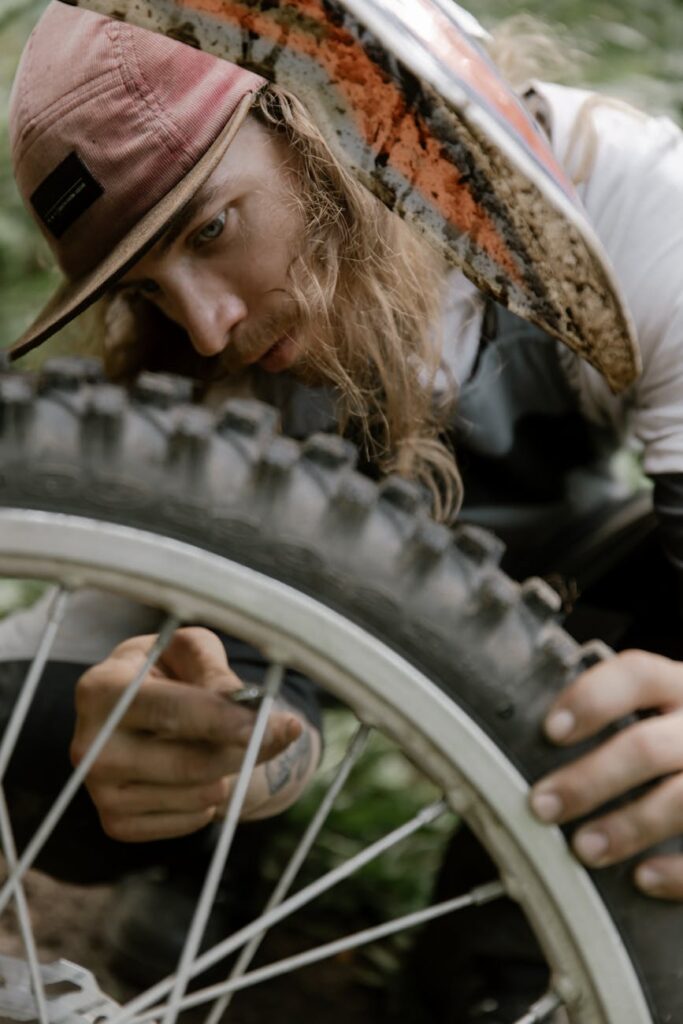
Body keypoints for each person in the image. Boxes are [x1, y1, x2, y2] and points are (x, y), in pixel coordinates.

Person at [5, 0, 683, 1013]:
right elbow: (285, 687)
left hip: (581, 591)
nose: (205, 326)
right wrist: (222, 756)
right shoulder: (223, 381)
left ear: (335, 115)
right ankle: (206, 877)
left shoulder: (620, 193)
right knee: (43, 722)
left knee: (500, 972)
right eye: (147, 292)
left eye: (211, 227)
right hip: (341, 601)